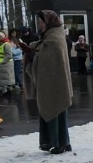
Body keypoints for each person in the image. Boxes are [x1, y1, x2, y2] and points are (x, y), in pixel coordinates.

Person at [31, 10, 73, 154]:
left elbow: (47, 58)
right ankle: (51, 141)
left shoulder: (54, 38)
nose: (39, 25)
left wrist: (34, 54)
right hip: (49, 82)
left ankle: (60, 142)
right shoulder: (49, 37)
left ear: (48, 22)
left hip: (56, 82)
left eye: (41, 22)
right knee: (50, 109)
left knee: (57, 109)